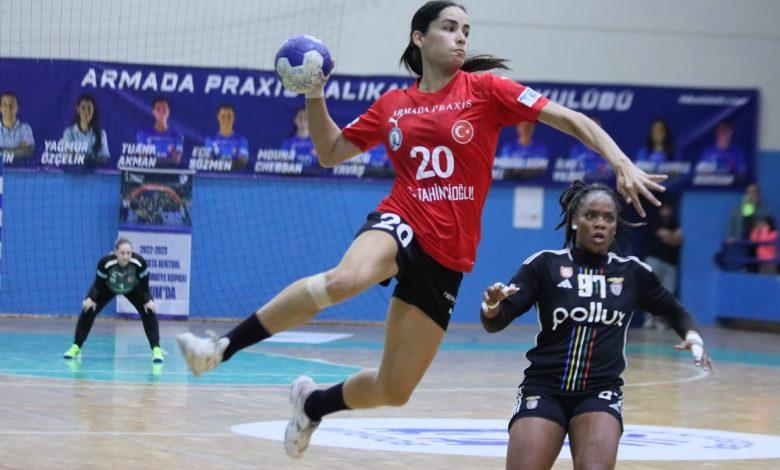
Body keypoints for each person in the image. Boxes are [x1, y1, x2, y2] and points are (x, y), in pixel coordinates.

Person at [177, 1, 665, 460]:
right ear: (419, 37)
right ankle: (220, 348)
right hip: (402, 218)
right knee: (345, 280)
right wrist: (314, 91)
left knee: (394, 389)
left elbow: (571, 119)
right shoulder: (393, 104)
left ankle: (312, 405)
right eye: (449, 28)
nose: (461, 38)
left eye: (466, 31)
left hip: (448, 255)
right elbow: (330, 152)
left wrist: (620, 162)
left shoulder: (487, 91)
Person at [480, 181, 713, 470]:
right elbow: (496, 321)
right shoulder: (545, 265)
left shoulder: (632, 273)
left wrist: (693, 337)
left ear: (615, 226)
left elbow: (676, 312)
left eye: (608, 218)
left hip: (599, 392)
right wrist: (491, 305)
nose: (600, 223)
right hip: (544, 388)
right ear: (574, 220)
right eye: (591, 216)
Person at [63, 238, 163, 363]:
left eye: (129, 253)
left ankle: (156, 349)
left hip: (133, 288)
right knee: (88, 309)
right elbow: (98, 285)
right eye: (122, 253)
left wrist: (147, 300)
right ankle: (76, 347)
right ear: (116, 252)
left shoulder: (139, 262)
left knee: (149, 310)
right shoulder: (105, 263)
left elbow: (144, 286)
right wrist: (93, 299)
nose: (126, 257)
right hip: (107, 287)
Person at [642, 203, 683, 329]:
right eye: (664, 209)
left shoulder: (675, 223)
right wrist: (672, 236)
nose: (666, 211)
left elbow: (677, 240)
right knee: (651, 291)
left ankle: (662, 320)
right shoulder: (655, 221)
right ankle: (650, 320)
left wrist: (671, 237)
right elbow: (667, 237)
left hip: (670, 263)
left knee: (667, 293)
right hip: (654, 260)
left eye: (668, 209)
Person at [62, 93, 110, 164]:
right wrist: (91, 158)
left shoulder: (101, 133)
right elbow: (69, 155)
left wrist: (84, 158)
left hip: (94, 170)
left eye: (89, 108)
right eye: (83, 107)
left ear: (93, 111)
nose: (86, 111)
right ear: (78, 109)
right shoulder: (69, 132)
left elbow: (104, 158)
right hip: (73, 170)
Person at [136, 97, 184, 167]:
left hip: (170, 171)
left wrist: (153, 160)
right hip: (149, 171)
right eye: (158, 109)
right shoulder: (143, 133)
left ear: (168, 111)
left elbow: (176, 160)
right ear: (153, 112)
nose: (161, 112)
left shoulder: (177, 134)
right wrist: (168, 158)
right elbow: (142, 159)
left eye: (164, 109)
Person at [203, 103, 249, 171]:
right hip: (215, 175)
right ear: (218, 117)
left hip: (235, 175)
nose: (226, 120)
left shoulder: (241, 139)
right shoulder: (210, 139)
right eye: (223, 116)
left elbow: (243, 161)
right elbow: (207, 160)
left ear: (234, 118)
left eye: (229, 116)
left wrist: (225, 165)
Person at [0, 91, 35, 161]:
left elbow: (28, 152)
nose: (9, 107)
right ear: (0, 108)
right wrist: (19, 150)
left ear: (18, 108)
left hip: (20, 167)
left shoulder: (25, 128)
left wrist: (2, 150)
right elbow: (23, 152)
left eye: (12, 104)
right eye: (4, 104)